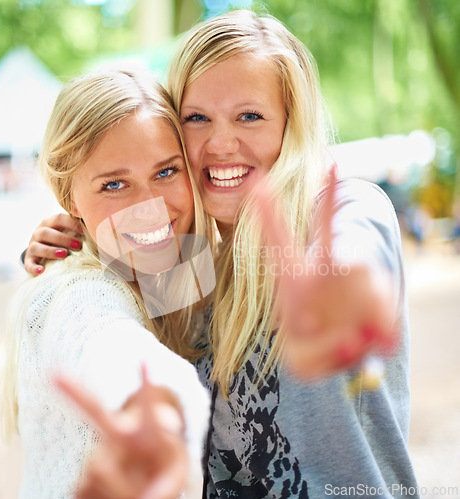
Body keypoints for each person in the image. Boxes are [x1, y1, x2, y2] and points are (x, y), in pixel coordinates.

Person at [21, 9, 419, 498]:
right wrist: (72, 233)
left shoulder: (343, 210)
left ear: (289, 123)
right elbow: (116, 331)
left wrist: (345, 290)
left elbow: (355, 258)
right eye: (197, 118)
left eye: (250, 116)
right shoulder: (194, 266)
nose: (222, 143)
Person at [2, 68, 212, 499]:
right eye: (114, 184)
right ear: (68, 197)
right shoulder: (78, 293)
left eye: (167, 172)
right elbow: (104, 342)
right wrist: (158, 413)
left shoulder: (180, 267)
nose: (150, 207)